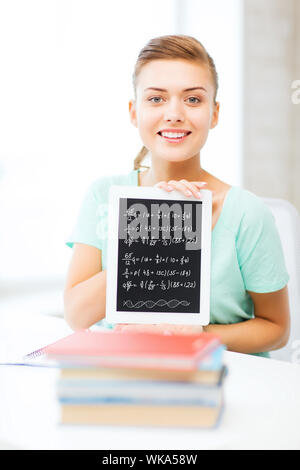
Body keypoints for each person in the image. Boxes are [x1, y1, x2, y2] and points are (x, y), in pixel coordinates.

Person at [64, 34, 290, 357]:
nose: (174, 113)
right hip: (124, 376)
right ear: (133, 111)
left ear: (214, 113)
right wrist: (148, 231)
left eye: (193, 99)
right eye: (156, 99)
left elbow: (277, 329)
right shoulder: (103, 196)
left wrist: (201, 334)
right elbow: (77, 316)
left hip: (220, 382)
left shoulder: (247, 214)